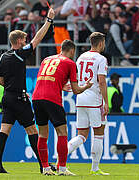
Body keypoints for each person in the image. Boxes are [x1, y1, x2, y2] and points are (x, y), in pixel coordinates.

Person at [0, 8, 55, 174]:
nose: (26, 41)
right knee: (33, 132)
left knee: (4, 131)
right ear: (20, 40)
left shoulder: (2, 57)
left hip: (7, 98)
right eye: (24, 39)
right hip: (19, 99)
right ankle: (44, 166)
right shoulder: (19, 54)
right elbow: (38, 39)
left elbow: (1, 81)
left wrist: (12, 88)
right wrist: (48, 21)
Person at [32, 39, 92, 176]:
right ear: (72, 51)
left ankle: (46, 168)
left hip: (36, 98)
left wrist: (61, 85)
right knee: (62, 132)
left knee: (42, 134)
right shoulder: (70, 63)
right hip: (52, 98)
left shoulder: (46, 59)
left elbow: (47, 77)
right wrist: (86, 87)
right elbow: (76, 90)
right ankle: (62, 169)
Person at [67, 32, 110, 175]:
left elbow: (76, 77)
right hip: (94, 100)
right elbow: (102, 81)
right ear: (101, 43)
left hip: (80, 99)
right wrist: (106, 102)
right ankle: (95, 168)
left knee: (82, 135)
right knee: (99, 133)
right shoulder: (101, 59)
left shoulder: (81, 57)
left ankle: (61, 159)